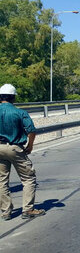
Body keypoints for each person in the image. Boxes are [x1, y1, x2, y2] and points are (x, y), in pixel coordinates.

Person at [0, 84, 45, 220]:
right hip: (15, 148)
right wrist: (30, 146)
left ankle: (5, 212)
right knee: (28, 178)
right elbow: (31, 130)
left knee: (1, 181)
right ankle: (28, 209)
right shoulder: (19, 112)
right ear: (13, 97)